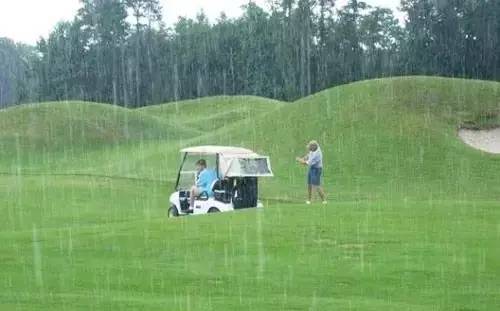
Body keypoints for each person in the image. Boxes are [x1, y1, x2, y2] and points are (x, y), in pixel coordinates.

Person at [296, 140, 327, 205]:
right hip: (312, 168)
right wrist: (304, 158)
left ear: (313, 147)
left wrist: (299, 160)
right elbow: (309, 154)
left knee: (315, 185)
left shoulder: (317, 154)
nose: (309, 148)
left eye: (310, 147)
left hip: (317, 169)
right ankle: (309, 200)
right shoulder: (314, 148)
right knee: (309, 184)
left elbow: (306, 163)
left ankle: (320, 200)